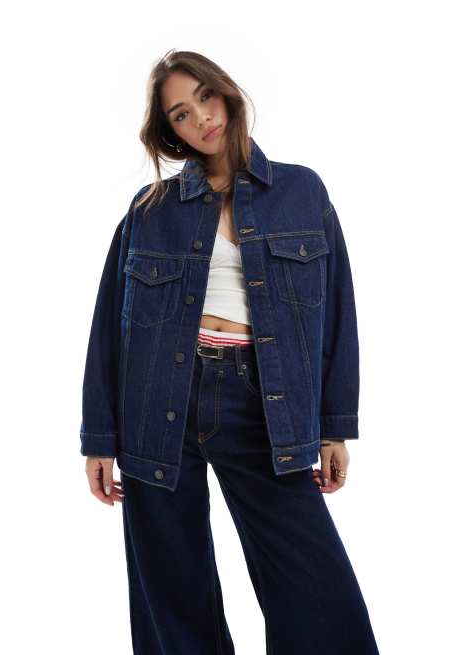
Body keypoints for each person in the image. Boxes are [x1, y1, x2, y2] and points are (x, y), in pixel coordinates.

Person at [79, 49, 380, 654]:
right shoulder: (150, 208)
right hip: (159, 405)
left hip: (265, 403)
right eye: (181, 114)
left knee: (318, 592)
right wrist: (99, 438)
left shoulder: (301, 189)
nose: (201, 119)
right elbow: (110, 325)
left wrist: (334, 426)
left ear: (227, 93)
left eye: (205, 98)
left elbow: (338, 312)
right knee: (173, 590)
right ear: (170, 131)